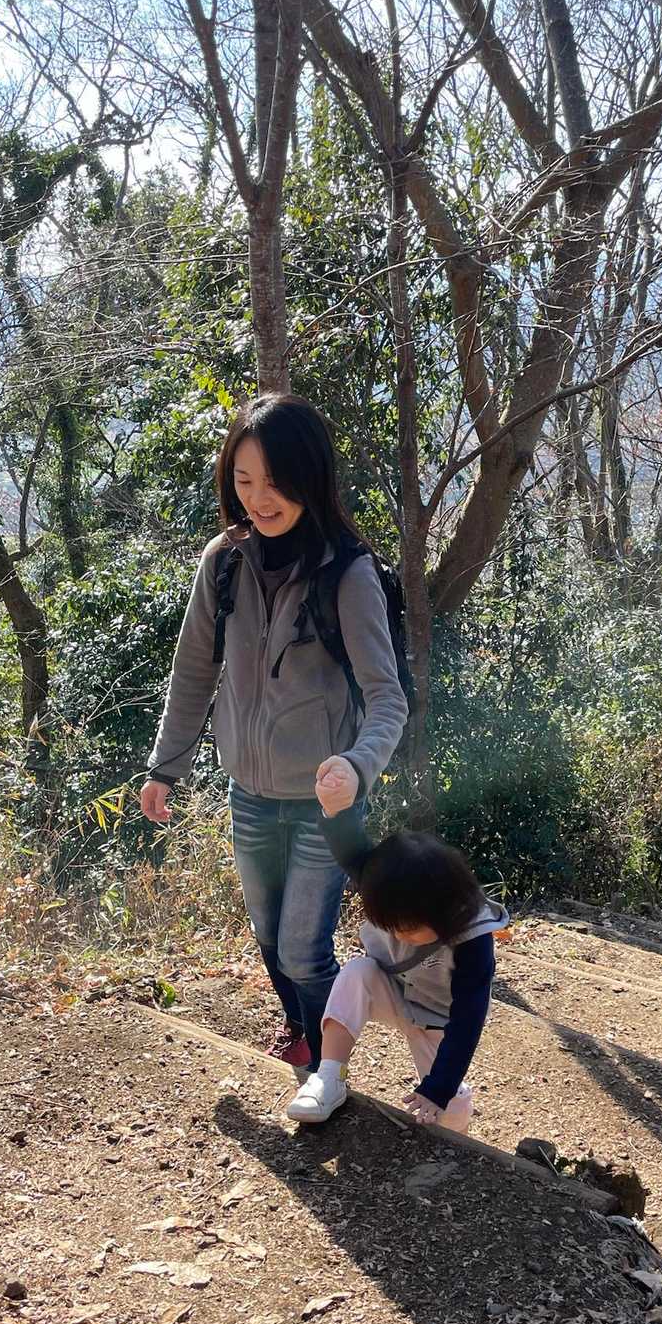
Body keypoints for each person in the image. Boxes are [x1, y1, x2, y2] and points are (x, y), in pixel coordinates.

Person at [140, 394, 407, 1070]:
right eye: (243, 480)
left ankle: (328, 1063)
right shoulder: (224, 563)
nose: (259, 499)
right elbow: (193, 672)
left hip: (325, 802)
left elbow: (387, 699)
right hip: (249, 792)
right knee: (267, 934)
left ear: (309, 477)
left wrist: (357, 765)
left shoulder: (348, 573)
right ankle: (302, 1027)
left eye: (275, 481)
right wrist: (165, 767)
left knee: (302, 951)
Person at [285, 758, 508, 1131]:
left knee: (447, 1107)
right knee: (357, 973)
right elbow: (351, 850)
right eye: (392, 928)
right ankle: (328, 1076)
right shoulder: (387, 886)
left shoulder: (473, 938)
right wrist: (334, 808)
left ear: (444, 910)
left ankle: (457, 1138)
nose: (399, 936)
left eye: (409, 929)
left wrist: (437, 1088)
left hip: (439, 1019)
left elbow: (469, 1017)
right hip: (393, 989)